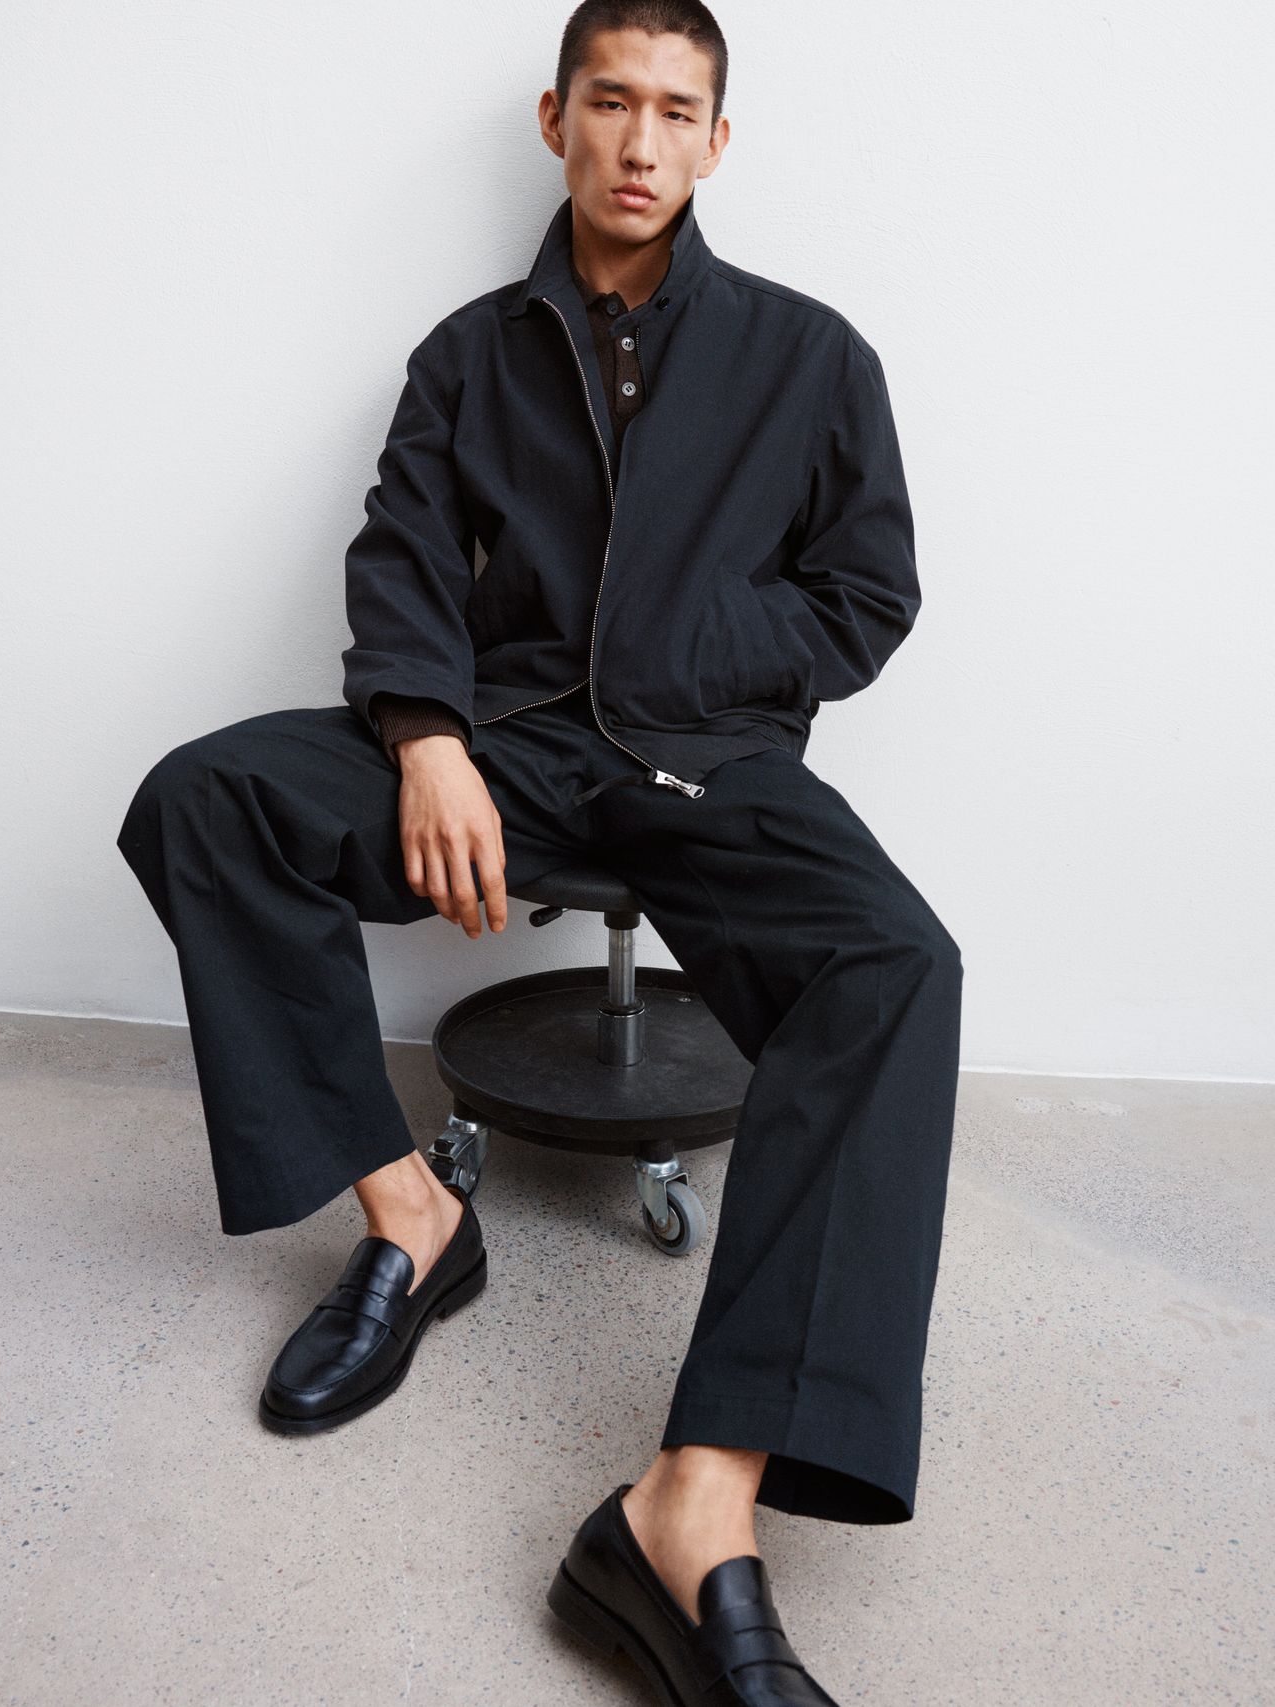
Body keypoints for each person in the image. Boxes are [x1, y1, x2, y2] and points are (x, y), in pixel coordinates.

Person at [116, 4, 963, 1701]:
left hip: (707, 764)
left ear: (718, 140)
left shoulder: (812, 357)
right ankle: (414, 1219)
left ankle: (693, 1501)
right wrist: (429, 738)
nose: (641, 142)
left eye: (678, 112)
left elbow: (865, 596)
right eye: (611, 102)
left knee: (898, 964)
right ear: (556, 118)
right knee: (207, 797)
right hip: (498, 746)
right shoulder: (467, 355)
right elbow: (403, 557)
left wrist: (684, 664)